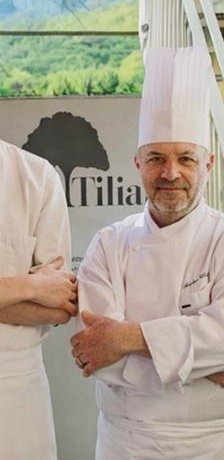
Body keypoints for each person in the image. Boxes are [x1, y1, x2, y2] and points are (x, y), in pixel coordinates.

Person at [70, 47, 224, 460]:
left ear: (207, 164)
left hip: (221, 445)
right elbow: (97, 353)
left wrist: (126, 337)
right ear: (137, 163)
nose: (171, 172)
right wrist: (205, 361)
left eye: (186, 159)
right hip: (128, 443)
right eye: (156, 158)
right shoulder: (108, 244)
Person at [0, 138, 76, 460]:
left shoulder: (36, 175)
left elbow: (58, 307)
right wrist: (30, 286)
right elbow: (44, 294)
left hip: (15, 397)